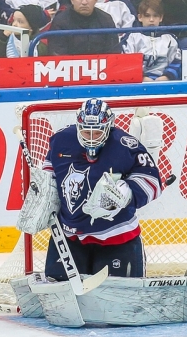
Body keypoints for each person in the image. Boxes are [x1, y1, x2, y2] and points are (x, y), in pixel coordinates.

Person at [42, 98, 162, 280]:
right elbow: (50, 168)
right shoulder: (62, 140)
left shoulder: (126, 145)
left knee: (121, 299)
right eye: (85, 131)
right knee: (58, 295)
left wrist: (127, 191)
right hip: (68, 238)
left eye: (96, 132)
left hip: (117, 237)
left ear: (108, 127)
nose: (90, 138)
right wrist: (42, 189)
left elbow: (152, 180)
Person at [122, 0, 181, 81]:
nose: (151, 19)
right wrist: (142, 77)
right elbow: (127, 62)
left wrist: (167, 77)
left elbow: (177, 61)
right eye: (147, 16)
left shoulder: (170, 38)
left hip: (165, 82)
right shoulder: (131, 37)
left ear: (161, 18)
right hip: (138, 82)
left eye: (155, 16)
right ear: (140, 17)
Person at [46, 0, 121, 56]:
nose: (84, 2)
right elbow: (57, 56)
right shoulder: (60, 21)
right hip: (69, 72)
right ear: (72, 0)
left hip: (102, 72)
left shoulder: (106, 19)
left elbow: (113, 53)